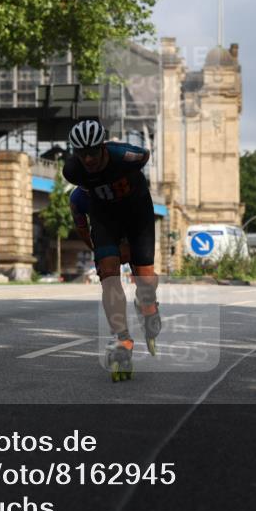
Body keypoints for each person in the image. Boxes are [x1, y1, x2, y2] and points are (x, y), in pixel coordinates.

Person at [62, 119, 160, 378]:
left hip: (138, 215)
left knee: (145, 279)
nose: (89, 159)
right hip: (105, 219)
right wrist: (104, 255)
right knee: (108, 276)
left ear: (103, 147)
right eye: (82, 154)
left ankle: (147, 303)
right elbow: (84, 231)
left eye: (93, 152)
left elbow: (146, 154)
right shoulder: (73, 173)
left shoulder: (128, 156)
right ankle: (122, 338)